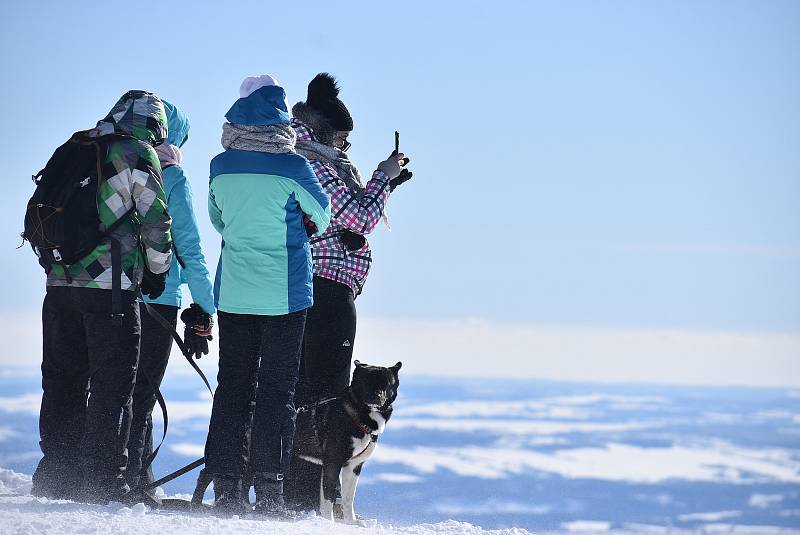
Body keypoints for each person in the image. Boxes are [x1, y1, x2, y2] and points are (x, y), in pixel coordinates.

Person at [31, 90, 173, 504]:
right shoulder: (136, 153)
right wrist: (157, 273)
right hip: (109, 289)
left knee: (62, 380)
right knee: (113, 385)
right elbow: (155, 220)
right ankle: (102, 479)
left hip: (58, 284)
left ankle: (56, 473)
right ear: (153, 126)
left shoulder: (75, 146)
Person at [202, 74, 331, 515]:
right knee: (278, 391)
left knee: (232, 387)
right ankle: (271, 489)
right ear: (280, 113)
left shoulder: (221, 165)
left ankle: (227, 486)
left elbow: (218, 221)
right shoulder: (294, 166)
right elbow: (323, 215)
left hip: (235, 291)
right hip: (286, 293)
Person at [284, 73, 412, 512]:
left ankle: (295, 494)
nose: (344, 146)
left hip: (309, 287)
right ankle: (308, 501)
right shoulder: (314, 162)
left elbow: (339, 221)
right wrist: (383, 177)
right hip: (326, 289)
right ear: (322, 131)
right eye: (341, 137)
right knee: (324, 395)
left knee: (303, 389)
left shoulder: (302, 156)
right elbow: (356, 216)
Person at [124, 99, 216, 504]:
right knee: (144, 392)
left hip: (112, 290)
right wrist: (205, 310)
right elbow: (189, 249)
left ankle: (103, 468)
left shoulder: (117, 163)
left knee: (113, 386)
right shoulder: (172, 175)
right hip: (159, 297)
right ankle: (132, 478)